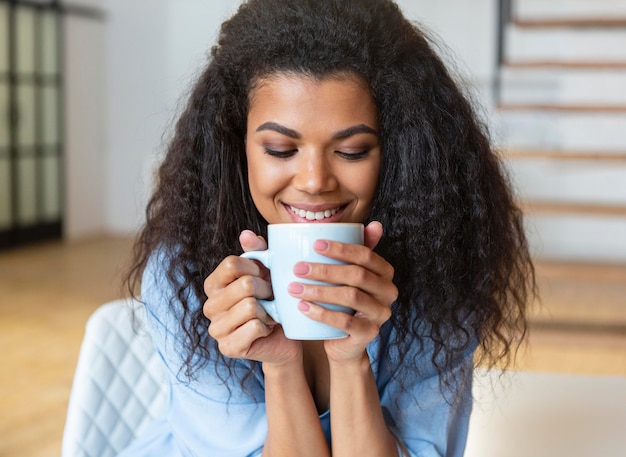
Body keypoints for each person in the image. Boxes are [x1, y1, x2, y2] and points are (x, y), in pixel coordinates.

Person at [121, 0, 536, 455]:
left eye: (353, 150)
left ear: (400, 150)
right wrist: (279, 366)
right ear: (235, 146)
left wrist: (349, 360)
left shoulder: (444, 271)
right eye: (280, 149)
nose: (315, 182)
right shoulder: (184, 274)